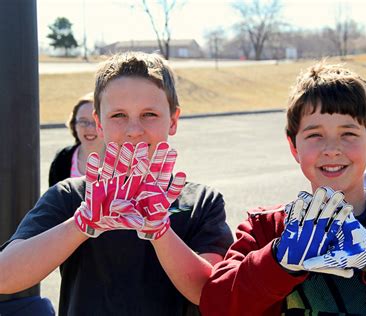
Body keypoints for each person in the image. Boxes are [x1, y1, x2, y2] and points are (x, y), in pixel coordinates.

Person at [199, 61, 366, 315]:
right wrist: (275, 261)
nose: (332, 149)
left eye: (349, 134)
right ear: (294, 146)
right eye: (315, 135)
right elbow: (215, 305)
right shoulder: (265, 228)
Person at [0, 52, 233, 315]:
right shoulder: (70, 196)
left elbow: (213, 294)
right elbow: (5, 278)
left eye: (149, 114)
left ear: (174, 120)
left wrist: (160, 232)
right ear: (99, 123)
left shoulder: (202, 202)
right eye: (119, 115)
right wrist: (81, 224)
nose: (134, 129)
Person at [48, 92, 105, 186]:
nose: (90, 128)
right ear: (74, 124)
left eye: (96, 121)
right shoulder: (62, 159)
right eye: (83, 121)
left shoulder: (122, 161)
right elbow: (53, 198)